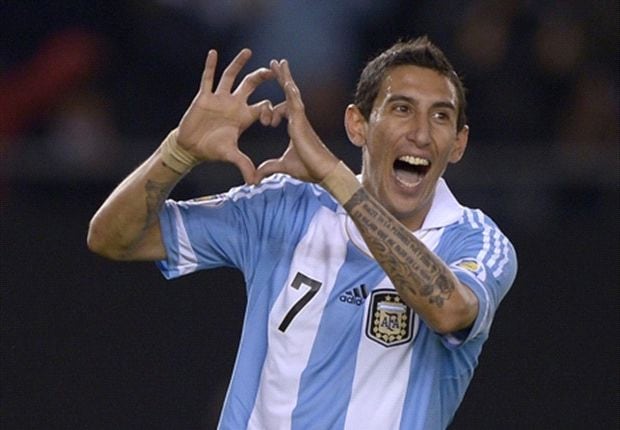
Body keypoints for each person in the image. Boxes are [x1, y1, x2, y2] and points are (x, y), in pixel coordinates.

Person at [87, 36, 517, 429]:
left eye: (440, 117)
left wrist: (333, 174)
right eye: (402, 109)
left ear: (458, 144)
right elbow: (111, 238)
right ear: (358, 125)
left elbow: (449, 311)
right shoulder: (284, 208)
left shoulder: (476, 240)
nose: (421, 134)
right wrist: (178, 151)